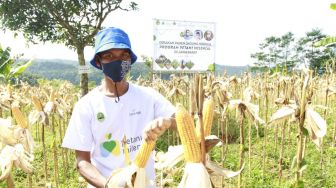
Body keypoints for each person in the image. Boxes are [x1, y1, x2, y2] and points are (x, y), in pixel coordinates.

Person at [61, 27, 176, 188]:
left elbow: (181, 123)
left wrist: (168, 122)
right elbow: (82, 162)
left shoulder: (149, 96)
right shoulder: (86, 106)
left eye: (123, 55)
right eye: (109, 56)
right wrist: (108, 185)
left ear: (130, 60)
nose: (117, 61)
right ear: (99, 62)